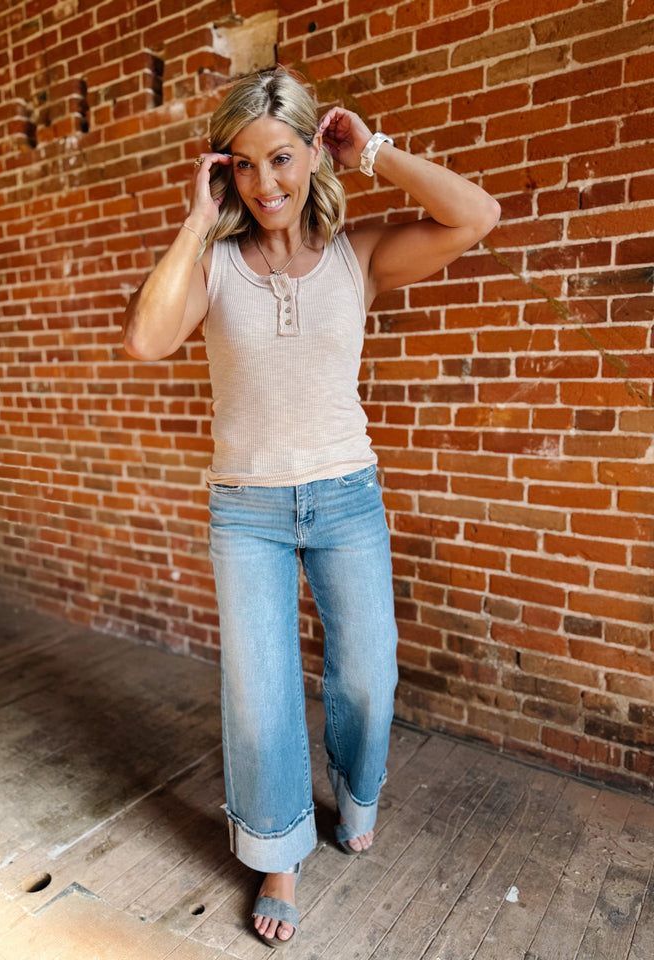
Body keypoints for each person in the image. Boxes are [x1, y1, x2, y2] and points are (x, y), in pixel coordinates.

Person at [122, 66, 500, 948]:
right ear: (224, 174)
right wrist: (191, 219)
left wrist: (373, 151)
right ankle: (279, 851)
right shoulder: (213, 266)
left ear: (311, 154)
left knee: (368, 673)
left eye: (282, 158)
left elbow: (475, 216)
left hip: (345, 497)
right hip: (247, 510)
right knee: (261, 698)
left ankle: (356, 793)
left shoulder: (356, 255)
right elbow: (146, 339)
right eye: (244, 167)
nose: (266, 185)